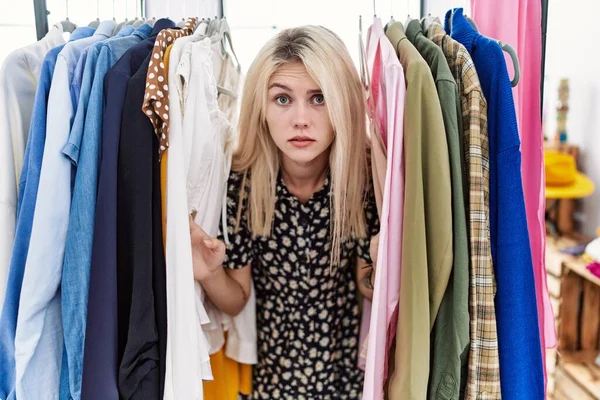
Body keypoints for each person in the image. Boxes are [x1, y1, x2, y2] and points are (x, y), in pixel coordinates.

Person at [190, 25, 379, 398]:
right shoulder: (241, 185)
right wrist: (210, 275)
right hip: (269, 382)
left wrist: (384, 264)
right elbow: (238, 296)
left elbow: (364, 283)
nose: (301, 119)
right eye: (282, 99)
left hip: (345, 381)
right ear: (262, 107)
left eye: (319, 98)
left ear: (342, 102)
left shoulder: (363, 178)